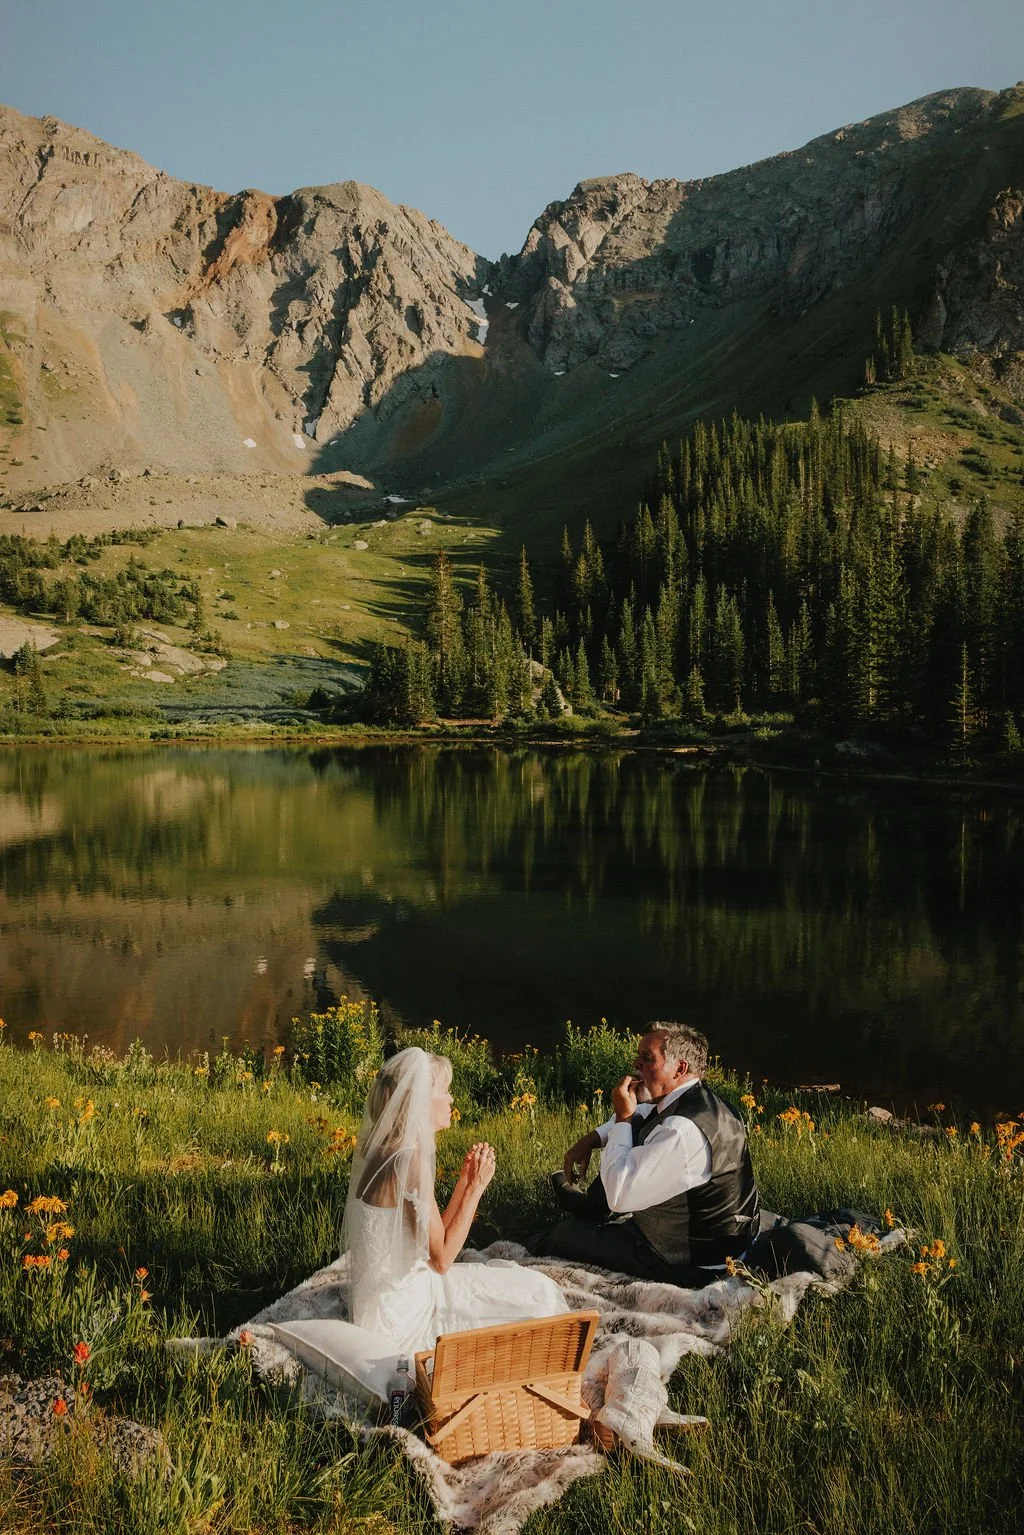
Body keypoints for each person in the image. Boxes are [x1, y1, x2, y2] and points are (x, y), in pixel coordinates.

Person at [342, 1046, 567, 1354]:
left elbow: (430, 1236)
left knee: (533, 1288)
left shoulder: (395, 1149)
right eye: (445, 1091)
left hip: (388, 1299)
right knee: (537, 1302)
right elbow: (443, 1258)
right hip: (402, 1317)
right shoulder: (408, 1159)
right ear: (421, 1101)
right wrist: (477, 1188)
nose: (451, 1099)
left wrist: (463, 1182)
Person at [533, 1022, 760, 1287]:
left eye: (647, 1058)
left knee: (564, 1236)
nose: (636, 1064)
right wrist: (592, 1138)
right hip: (728, 1235)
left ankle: (581, 1216)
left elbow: (619, 1196)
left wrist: (622, 1117)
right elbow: (643, 1114)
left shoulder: (679, 1131)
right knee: (634, 1129)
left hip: (693, 1261)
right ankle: (589, 1208)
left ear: (680, 1068)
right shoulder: (707, 1102)